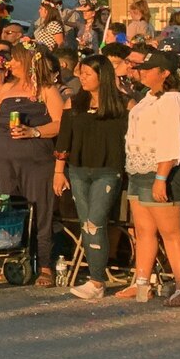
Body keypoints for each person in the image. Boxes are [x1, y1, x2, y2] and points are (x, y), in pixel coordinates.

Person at [0, 42, 65, 285]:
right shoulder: (7, 88)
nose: (8, 63)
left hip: (36, 160)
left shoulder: (46, 89)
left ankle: (45, 264)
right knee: (11, 207)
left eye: (14, 60)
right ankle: (13, 259)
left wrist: (34, 131)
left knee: (40, 210)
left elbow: (60, 124)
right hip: (6, 159)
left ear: (29, 61)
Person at [116, 51, 180, 304]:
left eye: (150, 68)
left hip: (161, 170)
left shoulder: (174, 99)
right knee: (143, 230)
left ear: (165, 72)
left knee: (170, 232)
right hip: (139, 167)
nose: (144, 72)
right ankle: (142, 282)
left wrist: (162, 177)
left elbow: (172, 138)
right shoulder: (148, 97)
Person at [54, 55, 128, 299]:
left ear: (102, 76)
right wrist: (58, 171)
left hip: (108, 170)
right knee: (86, 224)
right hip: (77, 170)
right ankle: (96, 277)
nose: (81, 78)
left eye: (87, 74)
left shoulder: (124, 105)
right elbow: (64, 141)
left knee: (95, 222)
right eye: (80, 73)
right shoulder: (73, 104)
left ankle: (96, 281)